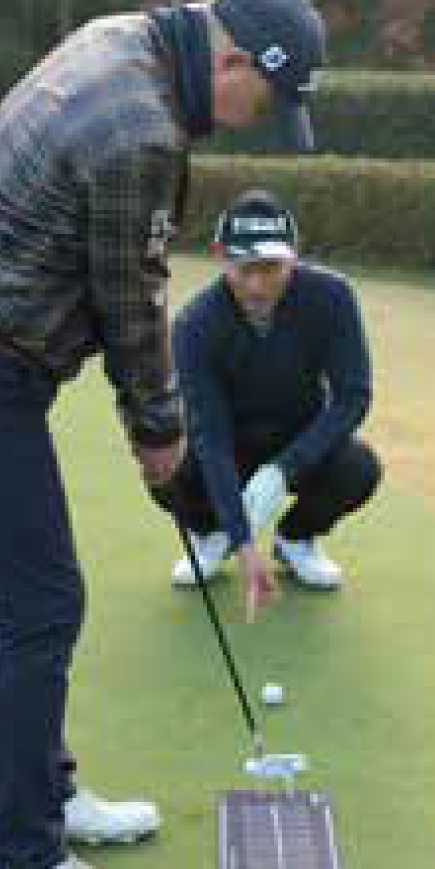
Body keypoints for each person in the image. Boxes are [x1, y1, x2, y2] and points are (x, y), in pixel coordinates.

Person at [0, 0, 326, 869]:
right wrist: (159, 433)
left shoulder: (125, 40)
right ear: (233, 60)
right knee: (38, 607)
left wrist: (152, 424)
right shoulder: (142, 130)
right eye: (264, 101)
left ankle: (47, 793)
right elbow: (131, 299)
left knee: (40, 598)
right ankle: (25, 866)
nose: (256, 123)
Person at [156, 188, 382, 618]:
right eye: (245, 268)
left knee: (359, 468)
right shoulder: (195, 325)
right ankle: (212, 534)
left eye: (272, 268)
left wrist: (283, 470)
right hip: (231, 443)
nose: (257, 284)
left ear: (293, 256)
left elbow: (353, 396)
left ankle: (295, 538)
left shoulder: (332, 297)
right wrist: (243, 543)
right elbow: (210, 435)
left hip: (300, 438)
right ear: (220, 256)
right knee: (167, 467)